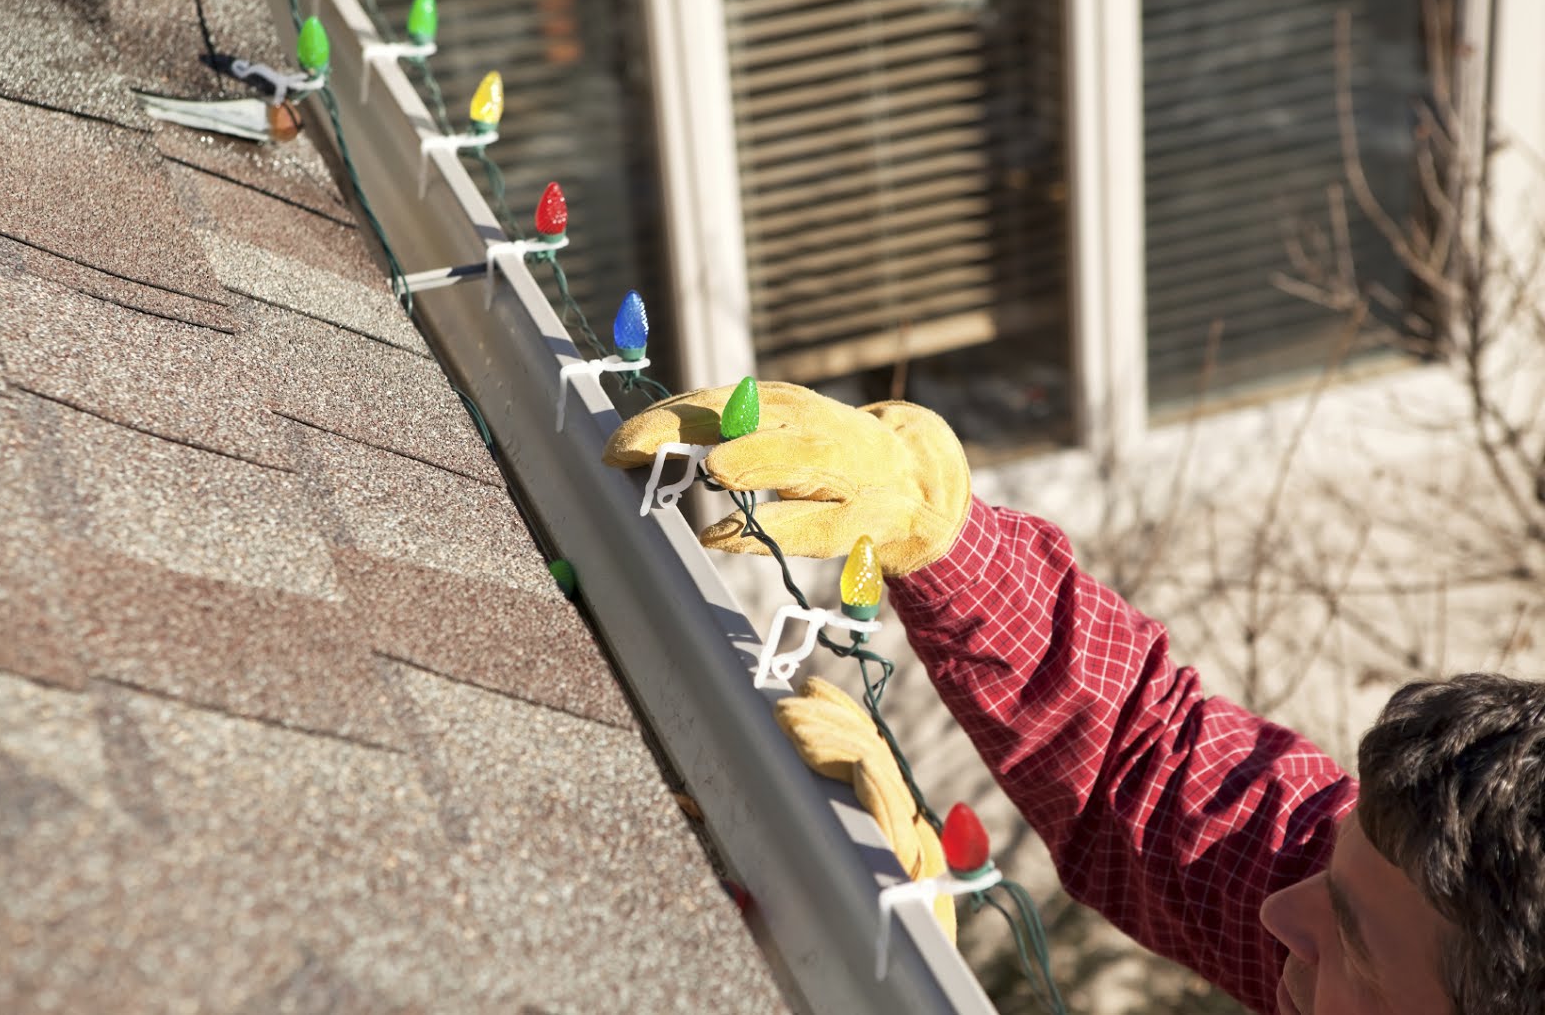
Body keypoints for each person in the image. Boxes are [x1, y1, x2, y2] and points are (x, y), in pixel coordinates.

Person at [605, 382, 1545, 1015]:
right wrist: (940, 534)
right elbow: (1150, 767)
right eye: (1325, 878)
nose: (1278, 915)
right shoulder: (1408, 892)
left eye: (1353, 945)